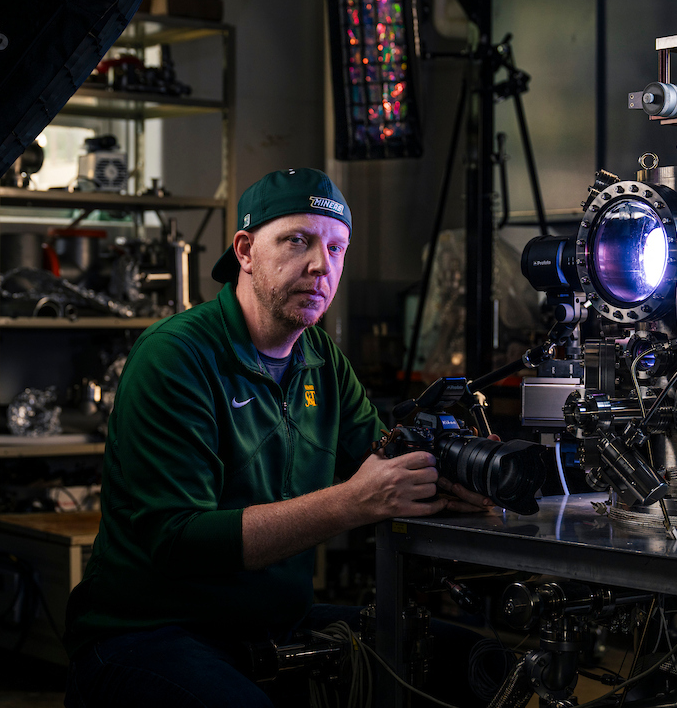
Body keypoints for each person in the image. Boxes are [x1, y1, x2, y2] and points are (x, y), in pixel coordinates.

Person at [63, 168, 492, 708]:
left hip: (273, 625)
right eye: (297, 240)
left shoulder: (320, 359)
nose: (321, 265)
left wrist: (463, 475)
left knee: (479, 665)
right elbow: (178, 541)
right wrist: (352, 501)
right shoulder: (177, 357)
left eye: (337, 248)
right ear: (244, 250)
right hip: (150, 632)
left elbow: (385, 456)